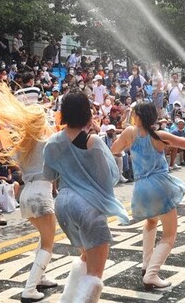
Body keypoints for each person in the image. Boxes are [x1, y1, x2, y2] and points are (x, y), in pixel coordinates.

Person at [43, 91, 129, 303]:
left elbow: (49, 175)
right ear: (86, 113)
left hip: (63, 205)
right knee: (95, 274)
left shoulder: (52, 142)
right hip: (87, 208)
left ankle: (69, 298)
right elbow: (109, 177)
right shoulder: (94, 142)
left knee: (86, 257)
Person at [0, 86, 59, 302]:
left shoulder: (21, 146)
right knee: (49, 243)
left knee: (44, 239)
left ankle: (41, 276)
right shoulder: (48, 144)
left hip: (26, 196)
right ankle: (29, 287)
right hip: (41, 195)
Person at [111, 102, 185, 291]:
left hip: (141, 187)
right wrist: (169, 143)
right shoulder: (159, 136)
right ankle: (151, 274)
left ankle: (146, 265)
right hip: (160, 185)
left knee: (151, 222)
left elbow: (114, 149)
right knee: (169, 235)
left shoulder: (129, 133)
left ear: (138, 116)